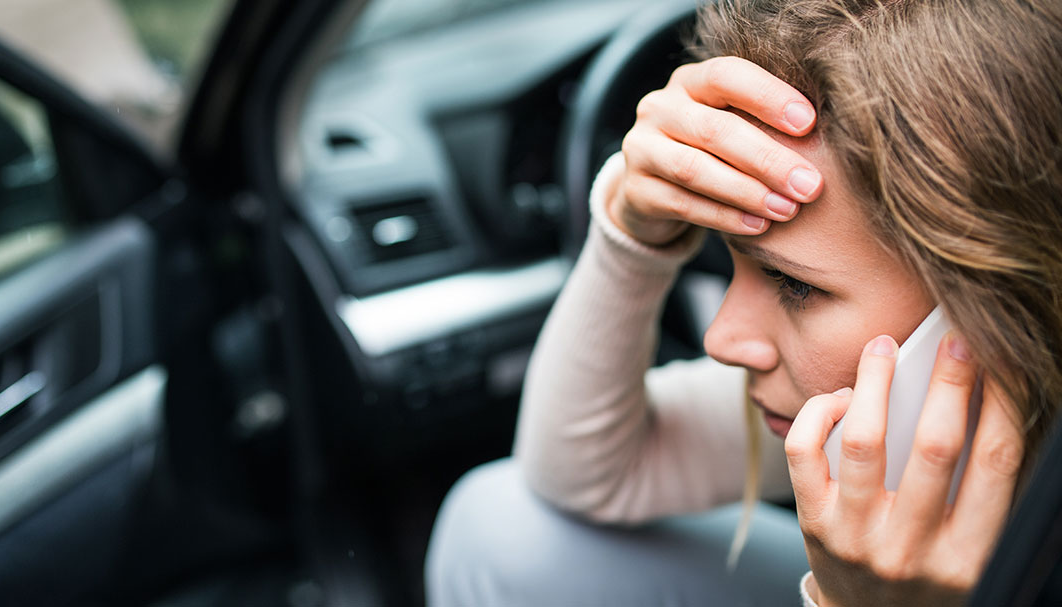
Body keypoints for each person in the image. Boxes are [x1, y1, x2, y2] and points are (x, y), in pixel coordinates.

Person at [425, 0, 1062, 605]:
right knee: (501, 528)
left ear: (1003, 305)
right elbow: (590, 474)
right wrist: (631, 230)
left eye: (796, 286)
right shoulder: (860, 409)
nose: (721, 339)